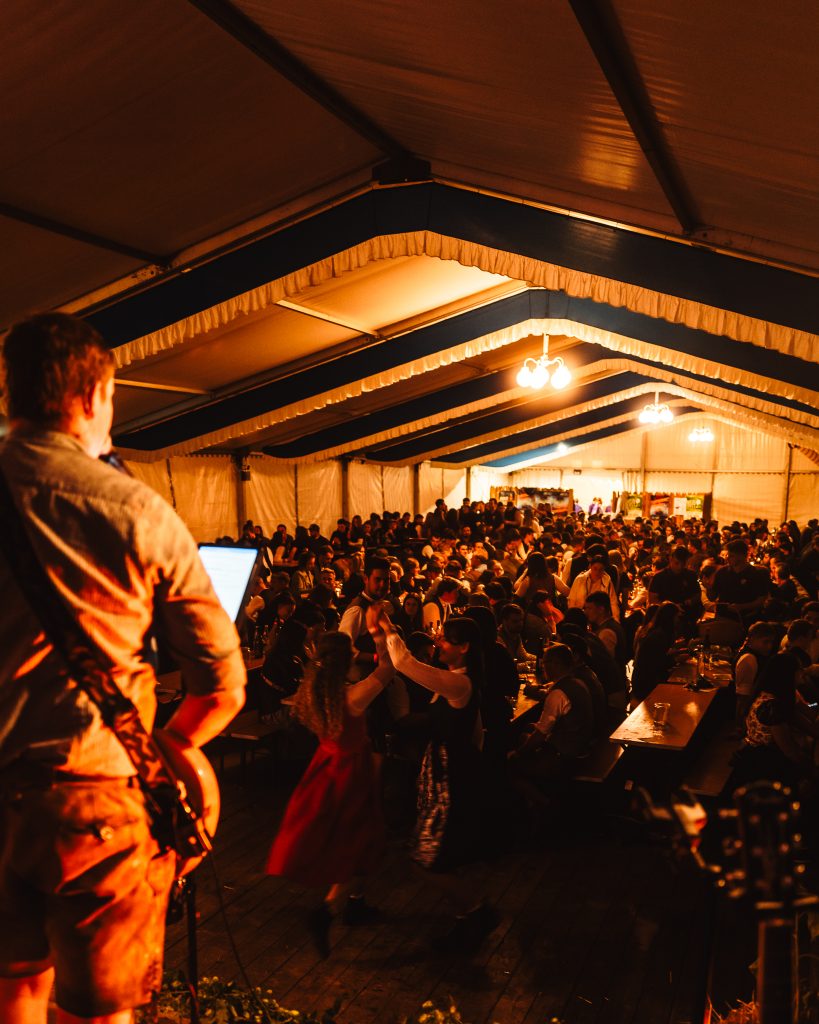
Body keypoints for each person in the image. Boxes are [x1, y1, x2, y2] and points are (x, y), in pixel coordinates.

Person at [0, 314, 247, 1024]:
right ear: (94, 395)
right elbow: (222, 686)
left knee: (13, 989)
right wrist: (162, 750)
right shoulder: (134, 508)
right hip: (92, 803)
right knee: (97, 1012)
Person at [371, 607, 500, 948]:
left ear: (465, 647)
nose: (440, 643)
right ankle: (466, 917)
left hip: (450, 778)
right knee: (440, 855)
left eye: (447, 640)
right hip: (444, 773)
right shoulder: (456, 682)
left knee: (424, 860)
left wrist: (386, 624)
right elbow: (476, 733)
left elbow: (406, 665)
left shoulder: (458, 683)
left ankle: (477, 910)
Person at [266, 631, 394, 957]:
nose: (356, 652)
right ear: (344, 660)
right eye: (352, 649)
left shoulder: (314, 692)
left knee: (361, 837)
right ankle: (327, 911)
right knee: (359, 840)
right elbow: (388, 670)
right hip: (350, 770)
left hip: (326, 766)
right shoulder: (352, 697)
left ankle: (356, 903)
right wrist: (381, 634)